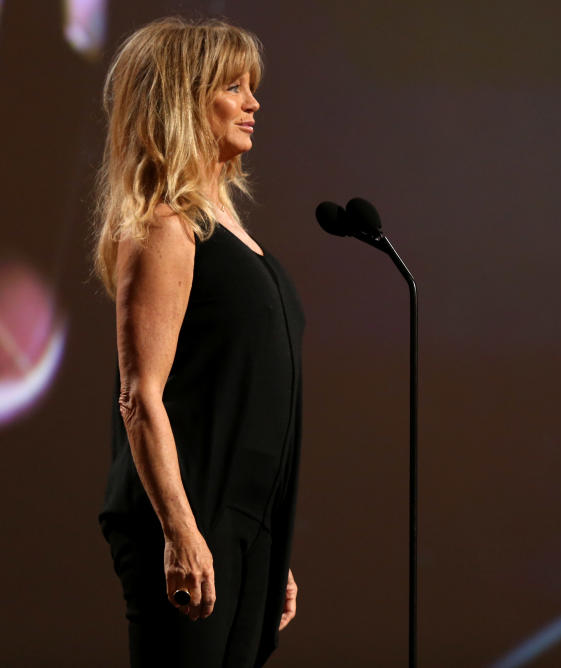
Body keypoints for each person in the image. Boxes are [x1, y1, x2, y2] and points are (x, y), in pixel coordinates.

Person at [92, 16, 305, 667]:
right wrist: (182, 532)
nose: (253, 102)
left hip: (240, 523)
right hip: (190, 513)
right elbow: (140, 396)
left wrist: (266, 542)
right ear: (185, 99)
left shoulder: (228, 228)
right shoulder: (166, 226)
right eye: (233, 87)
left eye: (252, 87)